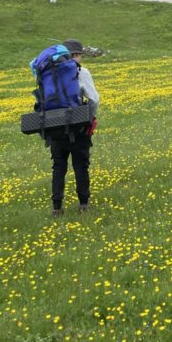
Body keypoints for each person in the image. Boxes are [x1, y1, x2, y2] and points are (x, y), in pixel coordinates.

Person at [48, 39, 100, 217]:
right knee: (80, 166)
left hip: (54, 128)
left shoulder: (49, 72)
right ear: (75, 55)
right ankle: (83, 205)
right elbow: (94, 99)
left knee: (58, 167)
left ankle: (57, 208)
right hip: (78, 128)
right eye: (79, 55)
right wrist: (89, 118)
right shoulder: (81, 72)